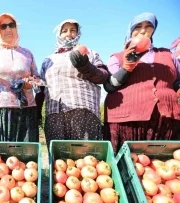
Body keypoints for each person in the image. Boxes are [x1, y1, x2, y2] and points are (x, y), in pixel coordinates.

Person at [103, 12, 180, 153]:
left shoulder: (168, 55)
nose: (143, 30)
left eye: (148, 26)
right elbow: (109, 86)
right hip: (127, 121)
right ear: (131, 30)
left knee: (160, 163)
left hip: (165, 120)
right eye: (138, 26)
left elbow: (177, 83)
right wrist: (127, 67)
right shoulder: (117, 57)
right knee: (127, 163)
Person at [36, 19, 109, 147]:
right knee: (59, 162)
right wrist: (36, 113)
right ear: (59, 34)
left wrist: (85, 65)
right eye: (64, 31)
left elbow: (103, 76)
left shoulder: (88, 53)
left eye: (73, 30)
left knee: (86, 160)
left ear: (78, 33)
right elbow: (41, 89)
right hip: (54, 115)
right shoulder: (48, 60)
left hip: (83, 112)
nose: (68, 34)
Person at [0, 13, 40, 143]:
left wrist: (30, 83)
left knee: (25, 157)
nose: (8, 29)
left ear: (16, 28)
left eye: (11, 25)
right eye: (3, 26)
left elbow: (37, 79)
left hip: (25, 110)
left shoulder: (27, 53)